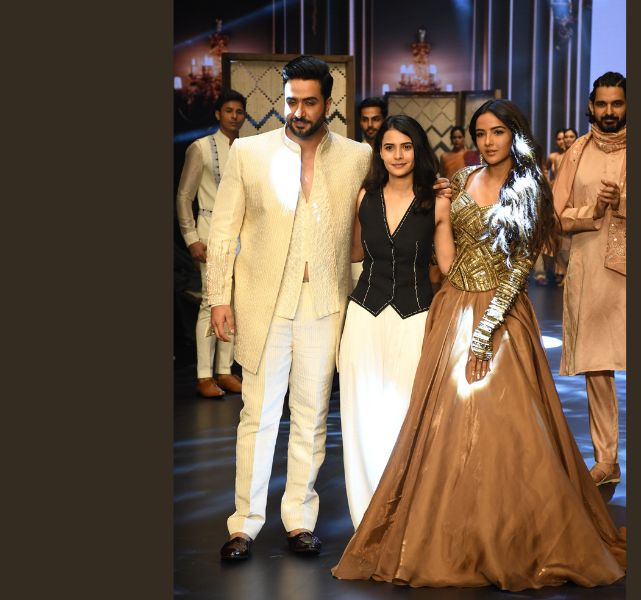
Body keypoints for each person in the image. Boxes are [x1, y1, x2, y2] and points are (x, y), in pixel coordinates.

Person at [332, 99, 626, 591]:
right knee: (441, 430)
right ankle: (453, 532)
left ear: (515, 135)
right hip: (452, 307)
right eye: (481, 133)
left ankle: (508, 534)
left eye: (497, 132)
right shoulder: (462, 179)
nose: (488, 142)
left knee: (504, 431)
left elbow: (518, 267)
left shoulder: (528, 187)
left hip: (502, 316)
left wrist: (485, 332)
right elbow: (447, 247)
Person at [205, 56, 374, 561]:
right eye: (291, 102)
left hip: (325, 302)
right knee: (257, 415)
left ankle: (300, 519)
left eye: (309, 102)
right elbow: (223, 230)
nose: (298, 112)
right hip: (263, 301)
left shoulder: (358, 156)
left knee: (312, 416)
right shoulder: (250, 153)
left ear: (329, 103)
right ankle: (244, 524)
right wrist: (218, 297)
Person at [340, 115, 455, 530]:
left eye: (406, 146)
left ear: (417, 150)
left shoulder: (437, 201)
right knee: (361, 419)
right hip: (364, 318)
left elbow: (449, 267)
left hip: (415, 317)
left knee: (408, 417)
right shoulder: (363, 197)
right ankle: (367, 520)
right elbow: (354, 253)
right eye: (389, 147)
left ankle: (404, 516)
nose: (398, 155)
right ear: (380, 152)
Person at [553, 72, 627, 486]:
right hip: (592, 269)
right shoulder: (577, 152)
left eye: (617, 103)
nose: (609, 111)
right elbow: (557, 214)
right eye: (602, 104)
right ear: (590, 106)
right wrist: (594, 212)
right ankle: (606, 460)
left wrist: (623, 202)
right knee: (597, 366)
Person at [175, 89, 247, 398]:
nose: (234, 116)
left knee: (235, 302)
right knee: (210, 301)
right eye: (228, 110)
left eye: (239, 111)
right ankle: (204, 375)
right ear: (218, 114)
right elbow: (183, 196)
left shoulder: (246, 149)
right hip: (209, 230)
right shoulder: (201, 147)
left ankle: (225, 371)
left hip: (241, 235)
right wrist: (191, 238)